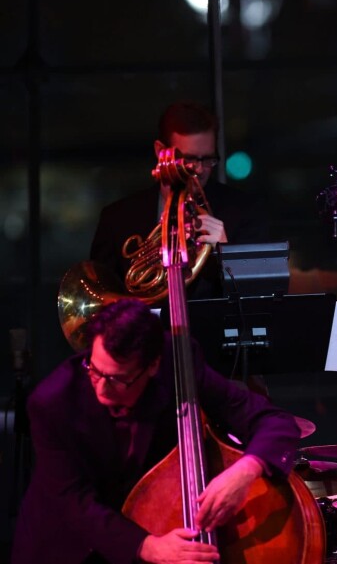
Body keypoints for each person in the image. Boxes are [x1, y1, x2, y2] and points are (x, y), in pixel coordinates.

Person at [12, 299, 306, 564]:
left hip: (154, 527)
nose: (101, 388)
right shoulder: (51, 402)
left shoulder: (176, 363)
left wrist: (246, 470)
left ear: (152, 366)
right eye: (94, 370)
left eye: (117, 379)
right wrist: (147, 546)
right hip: (71, 547)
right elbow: (74, 503)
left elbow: (273, 421)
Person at [90, 101, 269, 300]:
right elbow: (105, 299)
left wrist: (225, 254)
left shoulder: (245, 210)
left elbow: (258, 299)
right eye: (189, 159)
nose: (199, 169)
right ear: (160, 152)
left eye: (208, 159)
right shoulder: (117, 218)